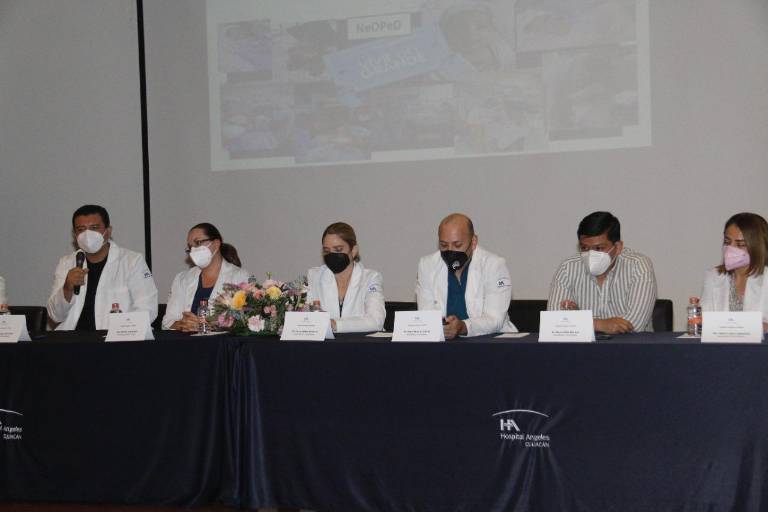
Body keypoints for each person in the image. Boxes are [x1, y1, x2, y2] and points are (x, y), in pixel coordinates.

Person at [47, 205, 158, 330]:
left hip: (116, 337)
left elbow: (147, 308)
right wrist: (67, 288)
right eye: (81, 229)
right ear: (75, 234)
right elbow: (56, 316)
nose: (87, 235)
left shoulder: (132, 261)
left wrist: (121, 332)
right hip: (72, 337)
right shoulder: (66, 263)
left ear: (108, 231)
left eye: (94, 228)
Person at [547, 211, 657, 333]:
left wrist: (578, 321)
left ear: (618, 247)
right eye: (584, 248)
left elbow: (634, 325)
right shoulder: (567, 268)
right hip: (583, 345)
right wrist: (598, 324)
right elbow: (553, 323)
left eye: (599, 248)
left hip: (633, 344)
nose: (591, 254)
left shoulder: (638, 266)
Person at [416, 213, 516, 339]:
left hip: (490, 341)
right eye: (444, 245)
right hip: (443, 343)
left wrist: (463, 327)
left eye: (457, 245)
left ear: (473, 242)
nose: (450, 251)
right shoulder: (427, 265)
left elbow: (495, 319)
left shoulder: (494, 265)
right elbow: (426, 316)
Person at [162, 223, 251, 331]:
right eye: (190, 247)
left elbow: (246, 321)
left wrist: (207, 326)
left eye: (198, 243)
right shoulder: (182, 279)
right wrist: (183, 324)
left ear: (216, 244)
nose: (193, 250)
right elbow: (167, 322)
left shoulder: (240, 276)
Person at [306, 222, 385, 333]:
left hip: (361, 342)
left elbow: (376, 321)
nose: (331, 255)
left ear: (353, 250)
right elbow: (306, 316)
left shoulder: (371, 278)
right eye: (327, 251)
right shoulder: (314, 276)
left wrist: (335, 324)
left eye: (338, 249)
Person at [700, 212, 768, 332]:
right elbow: (703, 322)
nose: (730, 249)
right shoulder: (713, 276)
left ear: (757, 246)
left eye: (740, 244)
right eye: (727, 242)